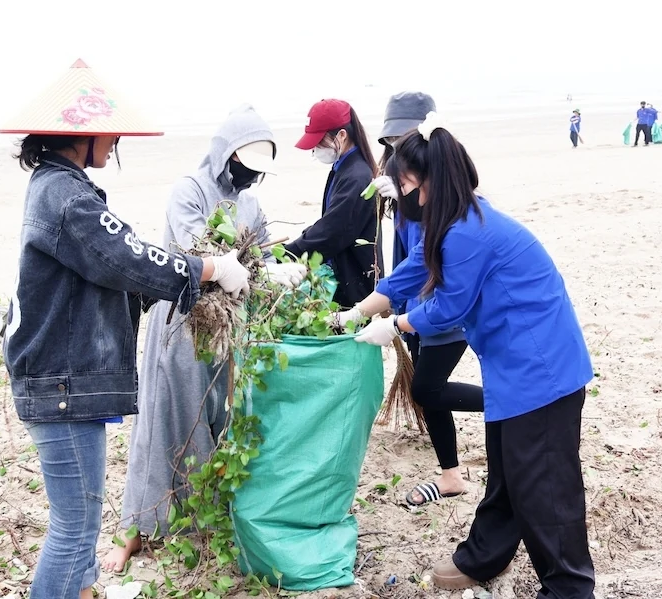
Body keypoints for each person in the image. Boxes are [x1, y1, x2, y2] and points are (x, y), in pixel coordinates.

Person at [0, 60, 252, 599]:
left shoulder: (61, 188)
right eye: (110, 134)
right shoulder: (65, 197)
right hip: (60, 383)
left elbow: (114, 269)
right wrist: (208, 269)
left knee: (80, 523)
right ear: (80, 134)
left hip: (61, 379)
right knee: (74, 530)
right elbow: (126, 257)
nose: (115, 144)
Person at [337, 112, 596, 597]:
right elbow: (413, 271)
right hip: (511, 366)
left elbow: (446, 307)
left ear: (427, 182)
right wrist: (358, 312)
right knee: (507, 471)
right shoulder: (452, 219)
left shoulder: (468, 233)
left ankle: (570, 588)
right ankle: (482, 557)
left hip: (542, 370)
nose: (402, 197)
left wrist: (394, 325)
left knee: (545, 488)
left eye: (405, 184)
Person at [102, 105, 306, 572]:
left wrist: (279, 271)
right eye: (245, 166)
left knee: (218, 420)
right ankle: (132, 530)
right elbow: (200, 256)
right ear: (226, 155)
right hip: (183, 325)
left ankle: (197, 519)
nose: (250, 178)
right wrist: (249, 269)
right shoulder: (188, 191)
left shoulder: (251, 202)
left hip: (229, 329)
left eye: (258, 171)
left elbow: (260, 250)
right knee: (162, 424)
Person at [347, 94, 484, 506]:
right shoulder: (403, 178)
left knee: (426, 390)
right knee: (430, 388)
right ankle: (450, 476)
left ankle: (509, 400)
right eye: (390, 139)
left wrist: (378, 312)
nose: (395, 146)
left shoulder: (438, 184)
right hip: (415, 305)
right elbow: (405, 256)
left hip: (441, 308)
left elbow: (427, 260)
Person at [284, 99, 383, 308]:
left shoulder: (357, 176)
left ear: (342, 135)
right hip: (345, 277)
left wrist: (289, 253)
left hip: (354, 283)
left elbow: (333, 230)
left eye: (319, 142)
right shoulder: (344, 167)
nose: (316, 150)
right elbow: (331, 221)